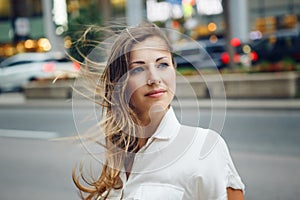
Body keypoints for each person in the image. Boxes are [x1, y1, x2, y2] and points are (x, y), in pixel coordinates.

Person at [72, 22, 245, 200]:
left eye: (162, 65)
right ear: (120, 84)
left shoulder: (205, 146)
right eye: (138, 69)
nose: (154, 79)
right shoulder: (119, 160)